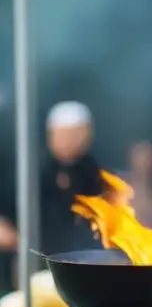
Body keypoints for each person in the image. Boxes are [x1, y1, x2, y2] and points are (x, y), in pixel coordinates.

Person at [40, 102, 105, 253]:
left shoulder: (97, 173)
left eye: (75, 133)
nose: (67, 140)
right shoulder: (37, 174)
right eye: (62, 134)